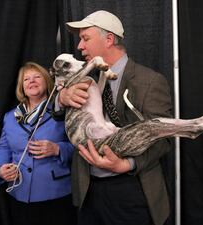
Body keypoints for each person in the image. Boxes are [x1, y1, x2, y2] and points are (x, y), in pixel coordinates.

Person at [57, 10, 173, 225]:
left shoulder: (150, 80)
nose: (79, 47)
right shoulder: (83, 76)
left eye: (85, 38)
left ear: (109, 39)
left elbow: (163, 140)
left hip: (132, 190)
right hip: (88, 191)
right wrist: (62, 98)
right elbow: (55, 112)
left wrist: (126, 164)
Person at [0, 62, 76, 225]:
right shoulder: (10, 117)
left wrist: (58, 149)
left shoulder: (63, 112)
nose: (32, 81)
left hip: (56, 195)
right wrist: (0, 169)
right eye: (26, 79)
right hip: (20, 193)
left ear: (47, 81)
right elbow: (3, 148)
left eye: (37, 77)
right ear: (21, 87)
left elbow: (81, 147)